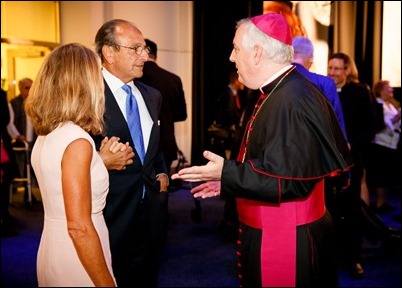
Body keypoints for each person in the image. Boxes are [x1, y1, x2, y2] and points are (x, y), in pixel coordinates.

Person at [172, 13, 353, 287]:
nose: (231, 58)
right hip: (278, 228)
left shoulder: (291, 100)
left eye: (236, 49)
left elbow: (287, 181)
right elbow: (274, 164)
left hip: (286, 238)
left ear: (257, 53)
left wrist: (228, 173)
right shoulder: (280, 91)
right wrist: (229, 181)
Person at [24, 43, 117, 286]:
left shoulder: (48, 134)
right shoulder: (77, 140)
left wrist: (99, 161)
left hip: (53, 246)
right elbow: (79, 228)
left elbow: (60, 180)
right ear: (84, 84)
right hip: (78, 256)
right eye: (98, 74)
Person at [94, 19, 170, 287]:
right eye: (136, 49)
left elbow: (153, 148)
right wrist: (99, 161)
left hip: (150, 215)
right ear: (109, 52)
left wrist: (162, 172)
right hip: (108, 216)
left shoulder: (152, 96)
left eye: (145, 48)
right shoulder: (87, 96)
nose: (145, 56)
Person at [327, 52, 377, 278]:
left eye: (337, 68)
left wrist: (351, 144)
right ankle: (329, 257)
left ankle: (354, 258)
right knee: (328, 212)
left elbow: (370, 128)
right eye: (330, 68)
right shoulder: (323, 90)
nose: (332, 73)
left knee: (352, 211)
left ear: (347, 70)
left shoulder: (360, 92)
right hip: (326, 165)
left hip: (352, 161)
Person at [138, 38, 187, 175]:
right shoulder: (174, 79)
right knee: (164, 189)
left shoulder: (134, 79)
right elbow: (182, 115)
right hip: (166, 142)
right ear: (156, 56)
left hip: (141, 145)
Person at [292, 36, 347, 138]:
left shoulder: (275, 78)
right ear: (311, 58)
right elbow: (336, 121)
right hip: (314, 146)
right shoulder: (325, 83)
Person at [367, 80, 401, 213]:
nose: (391, 90)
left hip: (391, 144)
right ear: (381, 90)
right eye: (388, 88)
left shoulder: (390, 105)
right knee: (381, 175)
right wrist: (398, 117)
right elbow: (383, 125)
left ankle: (383, 202)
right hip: (381, 145)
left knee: (387, 176)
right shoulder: (378, 105)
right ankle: (379, 204)